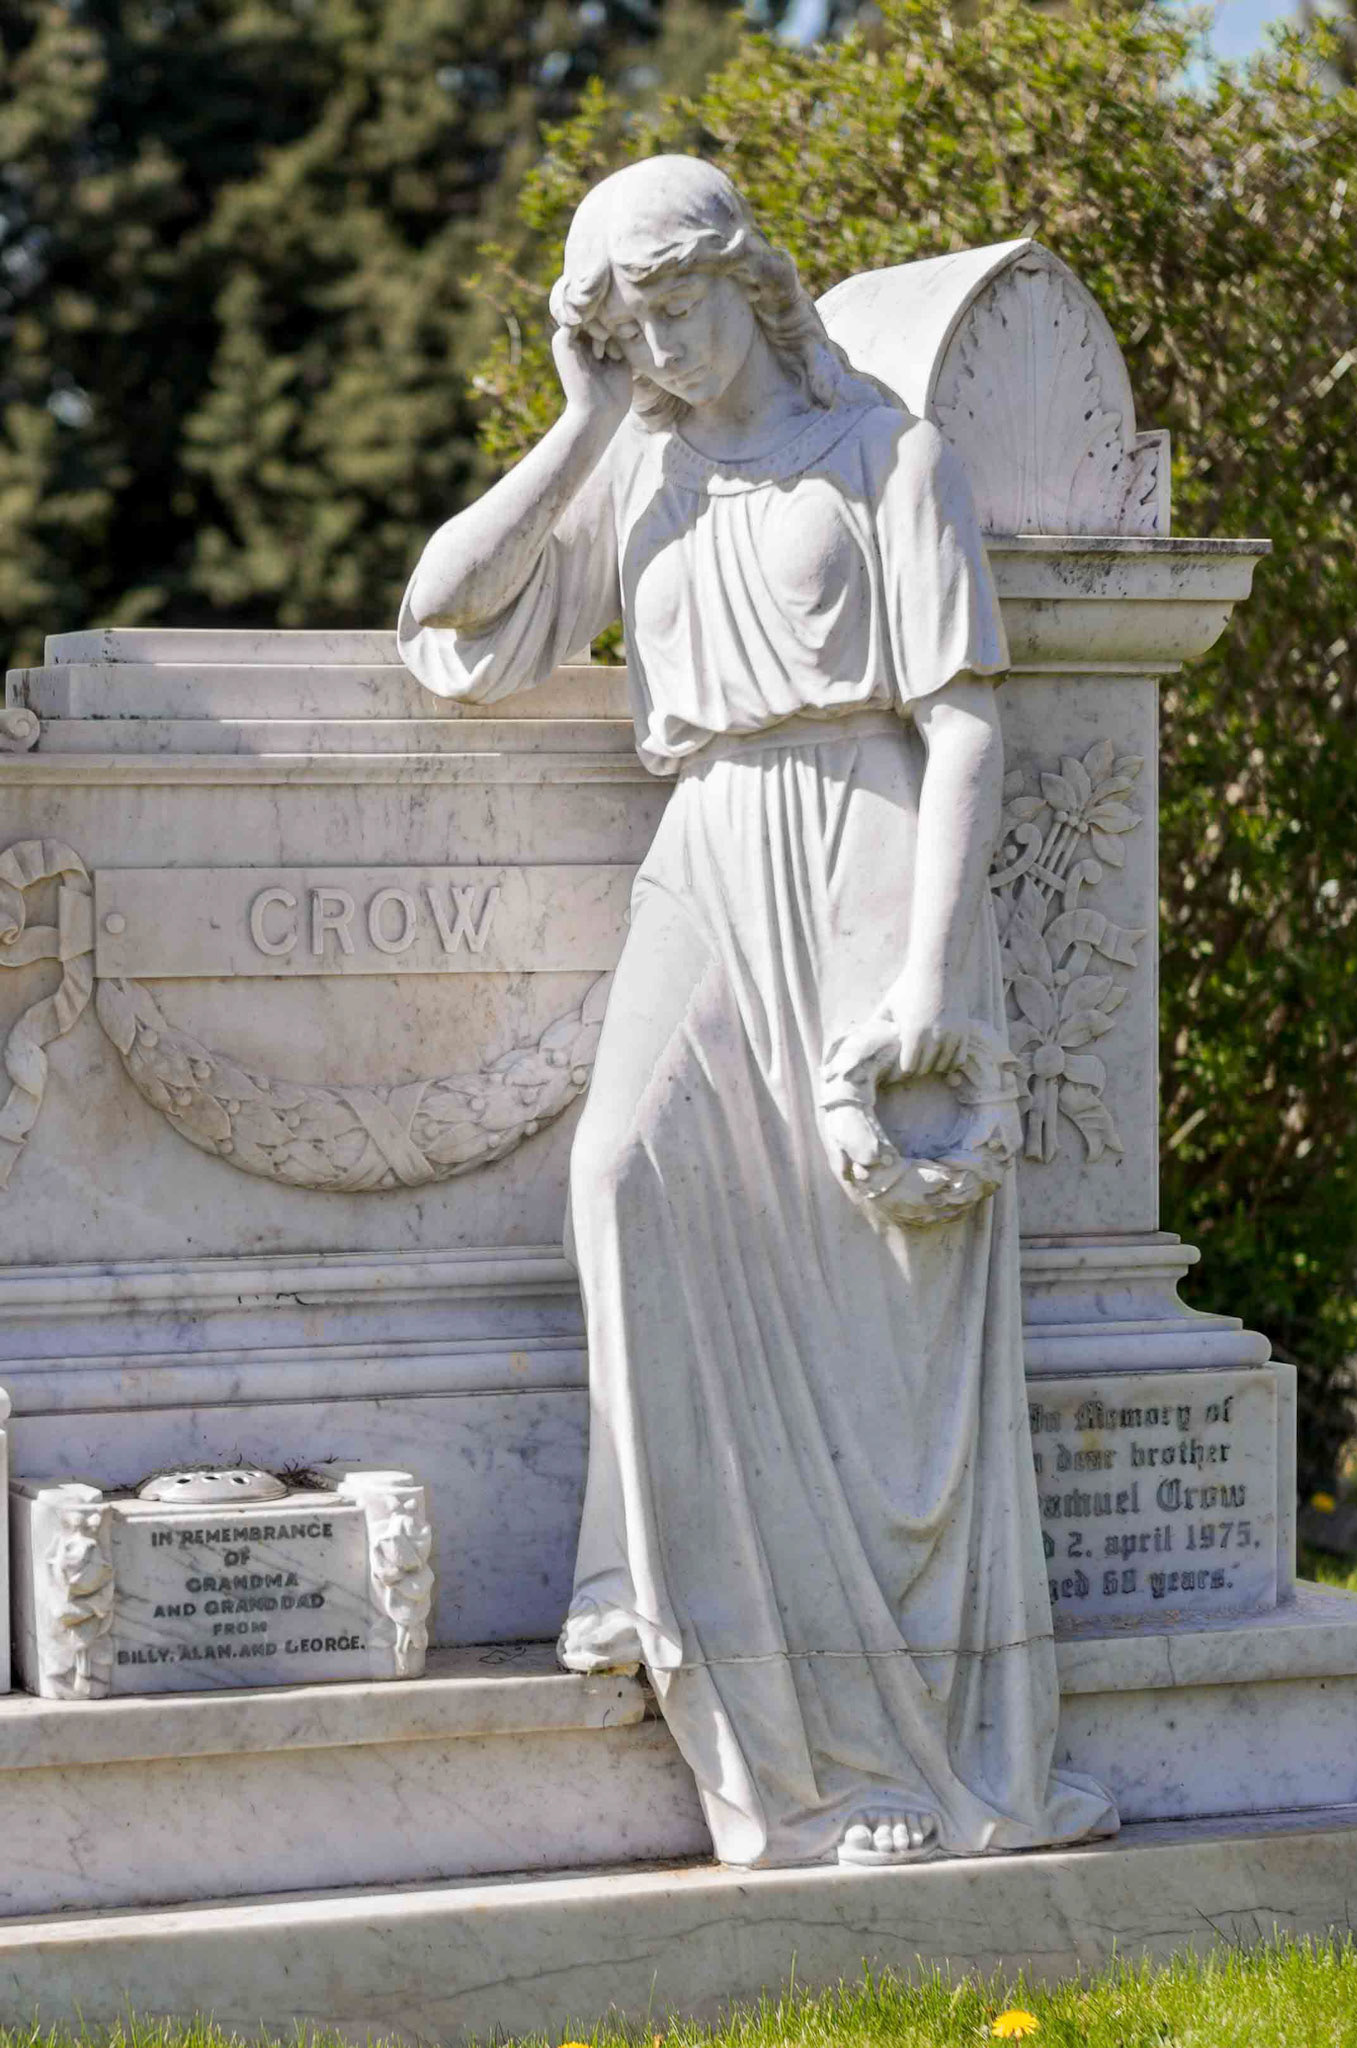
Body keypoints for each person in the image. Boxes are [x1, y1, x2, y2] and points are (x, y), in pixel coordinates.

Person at [399, 155, 1116, 1869]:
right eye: (624, 320)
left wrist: (935, 979)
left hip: (870, 858)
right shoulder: (635, 469)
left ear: (753, 282)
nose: (663, 344)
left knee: (881, 1304)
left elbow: (958, 725)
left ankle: (896, 1747)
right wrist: (578, 421)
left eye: (677, 304)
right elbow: (446, 620)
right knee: (623, 1177)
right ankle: (661, 1583)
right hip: (710, 844)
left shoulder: (886, 456)